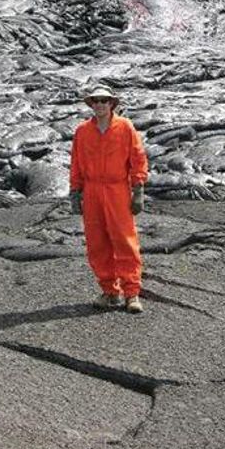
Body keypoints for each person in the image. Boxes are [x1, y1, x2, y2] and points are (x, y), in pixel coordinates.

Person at [69, 84, 148, 314]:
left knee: (125, 241)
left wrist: (138, 190)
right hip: (92, 191)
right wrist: (75, 192)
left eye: (104, 101)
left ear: (112, 104)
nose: (100, 105)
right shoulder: (83, 131)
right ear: (91, 104)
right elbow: (76, 162)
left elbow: (138, 158)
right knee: (97, 242)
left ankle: (131, 293)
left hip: (117, 190)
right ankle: (110, 292)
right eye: (96, 101)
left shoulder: (125, 127)